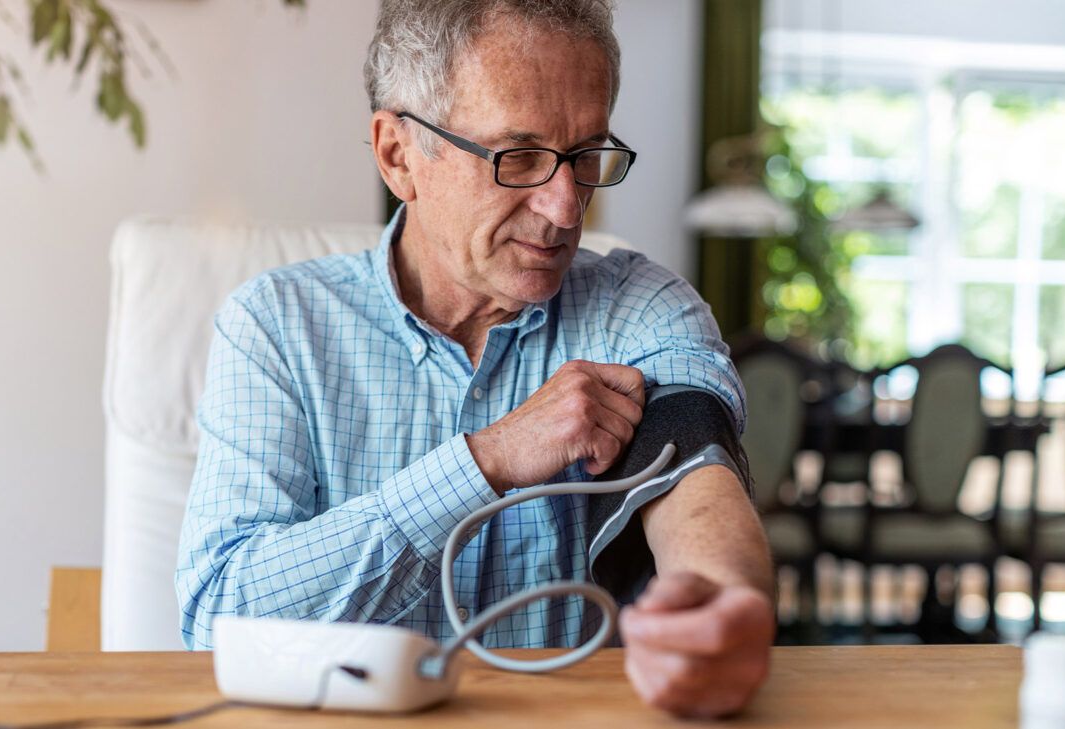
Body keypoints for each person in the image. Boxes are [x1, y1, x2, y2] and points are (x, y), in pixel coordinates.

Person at [176, 0, 775, 717]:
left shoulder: (640, 307)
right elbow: (219, 622)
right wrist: (485, 460)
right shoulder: (275, 326)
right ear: (399, 155)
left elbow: (697, 480)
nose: (565, 208)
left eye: (585, 156)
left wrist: (722, 605)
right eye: (518, 156)